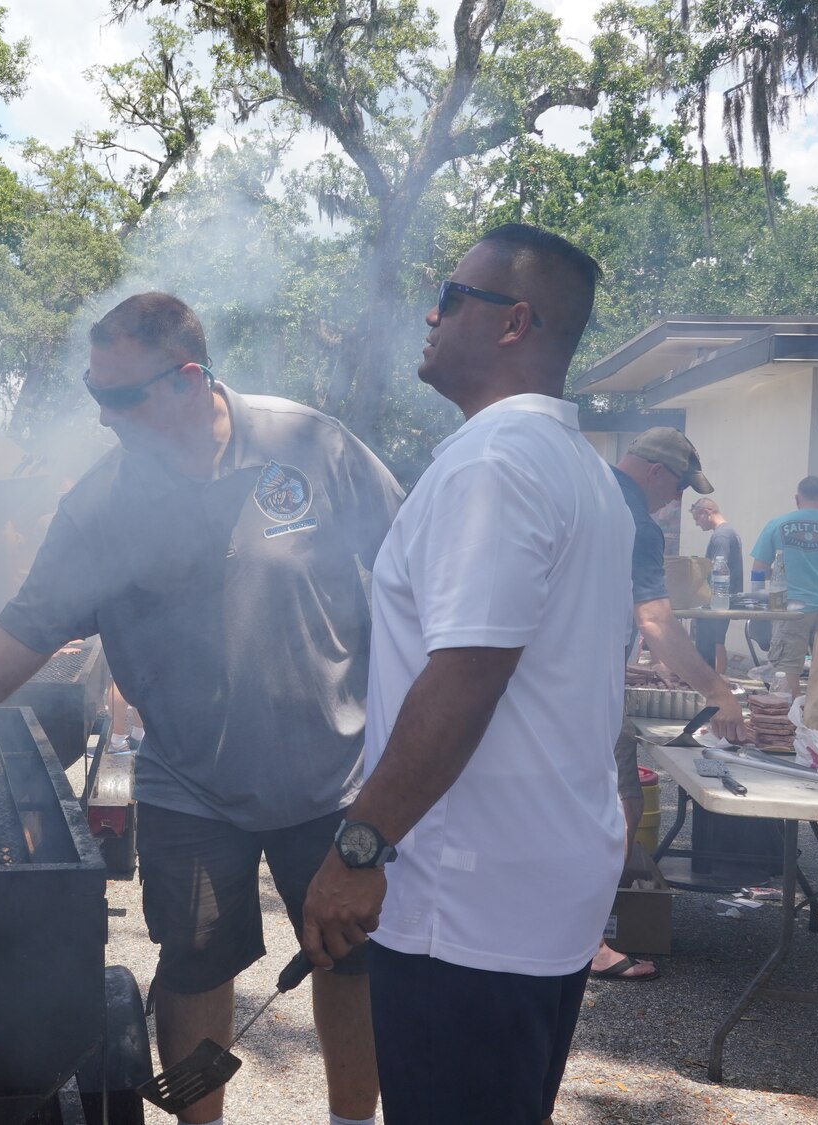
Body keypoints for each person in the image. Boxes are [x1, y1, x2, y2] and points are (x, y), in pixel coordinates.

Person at [0, 292, 402, 1125]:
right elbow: (15, 638)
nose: (101, 418)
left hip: (336, 772)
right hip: (192, 786)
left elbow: (412, 577)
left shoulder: (309, 445)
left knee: (349, 962)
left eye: (118, 397)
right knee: (196, 964)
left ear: (189, 379)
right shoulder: (100, 508)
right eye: (92, 394)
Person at [298, 224, 631, 1125]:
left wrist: (359, 848)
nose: (431, 313)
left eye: (451, 296)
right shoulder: (579, 468)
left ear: (515, 321)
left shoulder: (495, 464)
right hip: (537, 887)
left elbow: (467, 675)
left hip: (469, 901)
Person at [597, 426, 752, 982]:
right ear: (657, 471)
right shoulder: (632, 519)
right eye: (680, 486)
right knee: (618, 804)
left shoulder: (584, 488)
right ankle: (591, 941)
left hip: (548, 679)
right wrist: (719, 693)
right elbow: (656, 618)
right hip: (583, 692)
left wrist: (627, 661)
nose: (678, 500)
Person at [749, 476, 818, 676]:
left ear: (797, 499)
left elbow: (759, 569)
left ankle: (788, 707)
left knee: (785, 672)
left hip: (789, 609)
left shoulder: (776, 524)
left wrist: (771, 587)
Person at [689, 497, 742, 673]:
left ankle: (717, 682)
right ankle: (717, 681)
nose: (697, 524)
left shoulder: (721, 535)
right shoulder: (728, 531)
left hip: (718, 600)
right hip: (723, 599)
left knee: (715, 641)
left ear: (706, 512)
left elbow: (719, 569)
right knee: (717, 640)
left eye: (697, 518)